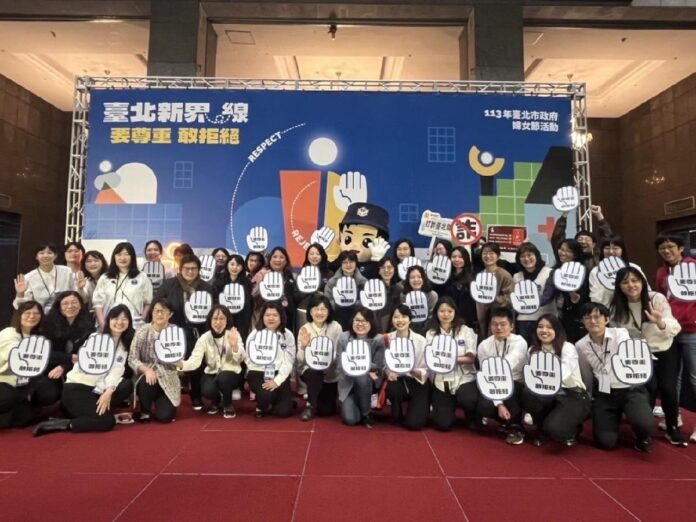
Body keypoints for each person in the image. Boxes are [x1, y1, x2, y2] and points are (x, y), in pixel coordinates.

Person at [32, 305, 135, 436]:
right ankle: (66, 424)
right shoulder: (95, 337)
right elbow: (93, 368)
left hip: (96, 388)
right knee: (107, 421)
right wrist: (107, 389)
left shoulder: (123, 344)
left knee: (125, 384)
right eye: (116, 318)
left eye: (124, 319)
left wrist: (109, 390)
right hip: (78, 387)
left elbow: (117, 369)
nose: (120, 322)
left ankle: (92, 412)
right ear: (108, 320)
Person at [610, 266, 685, 446]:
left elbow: (675, 327)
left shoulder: (656, 298)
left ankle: (672, 427)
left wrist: (659, 322)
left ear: (642, 282)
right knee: (646, 390)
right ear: (619, 286)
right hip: (638, 354)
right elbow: (615, 333)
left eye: (635, 281)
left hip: (663, 348)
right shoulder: (616, 306)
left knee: (668, 388)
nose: (631, 285)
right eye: (625, 282)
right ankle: (644, 430)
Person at [576, 302, 655, 452]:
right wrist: (589, 399)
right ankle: (613, 419)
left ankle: (642, 436)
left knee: (645, 424)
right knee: (605, 442)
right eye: (587, 318)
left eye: (597, 317)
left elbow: (625, 354)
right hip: (605, 393)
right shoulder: (580, 345)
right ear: (582, 322)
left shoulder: (620, 334)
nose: (593, 321)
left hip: (629, 389)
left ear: (606, 319)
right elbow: (587, 375)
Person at [154, 254, 214, 410]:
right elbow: (157, 306)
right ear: (180, 269)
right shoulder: (169, 285)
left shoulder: (206, 288)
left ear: (199, 270)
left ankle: (196, 395)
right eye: (187, 268)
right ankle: (168, 394)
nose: (190, 271)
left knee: (196, 364)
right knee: (170, 363)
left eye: (194, 268)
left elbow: (213, 313)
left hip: (197, 332)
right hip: (173, 331)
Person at [521, 314, 590, 446]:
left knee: (556, 430)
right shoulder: (532, 350)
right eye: (540, 327)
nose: (544, 330)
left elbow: (564, 372)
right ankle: (542, 428)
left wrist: (545, 381)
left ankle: (573, 427)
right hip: (547, 393)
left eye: (549, 327)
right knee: (527, 393)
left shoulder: (567, 347)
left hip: (570, 393)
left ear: (557, 330)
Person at [654, 233, 696, 443]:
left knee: (694, 377)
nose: (666, 250)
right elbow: (662, 299)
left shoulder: (693, 267)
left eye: (670, 246)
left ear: (680, 248)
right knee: (674, 378)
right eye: (662, 248)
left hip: (691, 330)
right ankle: (674, 416)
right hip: (670, 331)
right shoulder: (661, 272)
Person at [176, 305, 245, 419]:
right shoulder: (204, 338)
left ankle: (227, 404)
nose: (218, 322)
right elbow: (194, 361)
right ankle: (216, 400)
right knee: (207, 390)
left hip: (232, 373)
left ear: (227, 320)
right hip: (212, 373)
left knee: (224, 377)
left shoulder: (233, 334)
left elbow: (241, 359)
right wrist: (179, 364)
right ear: (210, 320)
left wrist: (234, 346)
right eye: (215, 318)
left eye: (222, 318)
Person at [476, 307, 528, 444]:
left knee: (511, 389)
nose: (498, 328)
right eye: (494, 324)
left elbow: (505, 367)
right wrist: (499, 404)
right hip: (493, 383)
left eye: (503, 324)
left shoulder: (520, 342)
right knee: (482, 404)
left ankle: (516, 427)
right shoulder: (484, 346)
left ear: (511, 326)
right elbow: (486, 374)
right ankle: (504, 420)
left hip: (516, 383)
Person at [426, 297, 479, 431]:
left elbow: (471, 358)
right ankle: (447, 407)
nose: (446, 314)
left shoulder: (466, 331)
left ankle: (471, 415)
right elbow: (430, 359)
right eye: (442, 311)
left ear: (455, 312)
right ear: (436, 313)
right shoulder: (431, 333)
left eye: (449, 311)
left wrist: (448, 359)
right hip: (441, 379)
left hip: (464, 377)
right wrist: (453, 359)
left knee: (468, 398)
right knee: (443, 425)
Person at [35, 291, 95, 407]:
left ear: (80, 305)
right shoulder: (47, 324)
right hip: (49, 367)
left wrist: (64, 366)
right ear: (59, 306)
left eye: (74, 302)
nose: (70, 306)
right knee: (48, 395)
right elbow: (43, 353)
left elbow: (87, 355)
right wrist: (68, 358)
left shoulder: (88, 325)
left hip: (77, 368)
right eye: (65, 303)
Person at [128, 297, 181, 423]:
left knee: (165, 417)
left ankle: (160, 400)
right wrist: (146, 370)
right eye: (156, 311)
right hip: (148, 376)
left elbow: (181, 357)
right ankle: (145, 410)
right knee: (148, 380)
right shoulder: (142, 331)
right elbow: (132, 358)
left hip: (168, 376)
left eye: (163, 311)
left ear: (170, 314)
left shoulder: (175, 331)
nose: (159, 314)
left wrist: (178, 363)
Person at [336, 307, 385, 428]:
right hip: (348, 383)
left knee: (361, 376)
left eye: (365, 321)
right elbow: (340, 364)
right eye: (357, 320)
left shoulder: (378, 339)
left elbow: (378, 366)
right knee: (350, 420)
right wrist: (366, 366)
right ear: (352, 321)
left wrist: (358, 365)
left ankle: (366, 414)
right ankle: (360, 404)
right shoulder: (344, 338)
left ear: (371, 322)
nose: (360, 324)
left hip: (368, 382)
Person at [245, 302, 296, 418]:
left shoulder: (287, 335)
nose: (271, 318)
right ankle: (261, 405)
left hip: (279, 372)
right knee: (266, 394)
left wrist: (277, 380)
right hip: (257, 372)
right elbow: (248, 357)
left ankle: (279, 401)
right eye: (267, 315)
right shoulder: (255, 334)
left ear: (281, 317)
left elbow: (289, 361)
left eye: (275, 315)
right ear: (262, 317)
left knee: (284, 412)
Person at [296, 293, 343, 420]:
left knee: (325, 410)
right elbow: (300, 360)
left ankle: (315, 396)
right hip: (309, 370)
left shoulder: (336, 327)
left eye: (323, 309)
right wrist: (303, 347)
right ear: (310, 312)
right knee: (313, 372)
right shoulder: (304, 329)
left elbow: (339, 353)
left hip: (330, 373)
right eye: (316, 309)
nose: (319, 312)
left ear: (328, 311)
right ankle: (310, 406)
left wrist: (327, 362)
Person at [384, 305, 429, 430]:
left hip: (416, 380)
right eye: (396, 317)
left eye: (404, 317)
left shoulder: (420, 340)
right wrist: (388, 372)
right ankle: (396, 411)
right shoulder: (387, 338)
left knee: (414, 424)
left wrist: (411, 370)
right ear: (392, 320)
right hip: (397, 379)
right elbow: (383, 364)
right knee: (393, 389)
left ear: (410, 320)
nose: (400, 320)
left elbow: (426, 369)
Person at [0, 301, 43, 429]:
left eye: (36, 313)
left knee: (25, 416)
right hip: (3, 379)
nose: (32, 316)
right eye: (27, 313)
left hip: (18, 383)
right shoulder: (9, 332)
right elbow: (15, 354)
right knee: (9, 397)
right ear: (19, 315)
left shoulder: (35, 336)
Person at [92, 242, 153, 330]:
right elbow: (97, 303)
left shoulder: (142, 277)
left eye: (126, 254)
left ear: (132, 257)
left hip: (134, 325)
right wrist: (103, 324)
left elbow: (148, 302)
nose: (122, 258)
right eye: (119, 255)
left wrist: (142, 319)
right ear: (114, 257)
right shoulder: (105, 278)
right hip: (109, 325)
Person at [540, 239, 590, 343]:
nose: (563, 253)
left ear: (575, 255)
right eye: (561, 249)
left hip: (578, 318)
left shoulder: (583, 271)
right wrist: (533, 303)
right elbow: (548, 295)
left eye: (568, 251)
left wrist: (571, 291)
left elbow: (583, 298)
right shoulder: (555, 272)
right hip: (560, 316)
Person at [513, 242, 555, 344]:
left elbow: (548, 296)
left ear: (537, 256)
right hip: (523, 321)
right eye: (522, 256)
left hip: (545, 320)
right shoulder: (517, 276)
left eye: (529, 255)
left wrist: (530, 303)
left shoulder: (549, 272)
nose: (526, 259)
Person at [13, 243, 74, 312]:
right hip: (41, 315)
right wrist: (20, 294)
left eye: (49, 253)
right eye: (41, 253)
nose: (46, 256)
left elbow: (75, 294)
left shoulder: (67, 271)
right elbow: (22, 307)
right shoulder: (28, 278)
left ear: (55, 256)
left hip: (66, 313)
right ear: (36, 257)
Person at [589, 235, 648, 307]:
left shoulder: (633, 267)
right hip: (608, 310)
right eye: (607, 248)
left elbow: (647, 290)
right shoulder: (595, 271)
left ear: (622, 250)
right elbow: (595, 298)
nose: (611, 252)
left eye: (615, 248)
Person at [551, 204, 613, 270]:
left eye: (587, 239)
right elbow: (557, 237)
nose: (583, 242)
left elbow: (609, 239)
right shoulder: (566, 257)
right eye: (580, 239)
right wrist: (565, 214)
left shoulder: (598, 258)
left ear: (593, 244)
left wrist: (599, 215)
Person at [251, 246, 296, 329]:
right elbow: (252, 296)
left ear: (286, 261)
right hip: (265, 317)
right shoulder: (261, 275)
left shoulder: (292, 277)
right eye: (274, 257)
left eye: (281, 257)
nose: (278, 260)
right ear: (270, 260)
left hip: (287, 318)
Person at [476, 243, 514, 337]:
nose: (488, 256)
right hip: (482, 316)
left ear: (498, 256)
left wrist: (494, 298)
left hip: (499, 317)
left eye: (491, 253)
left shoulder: (504, 275)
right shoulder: (479, 275)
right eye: (485, 253)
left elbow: (510, 298)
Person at [214, 254, 253, 340]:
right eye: (232, 264)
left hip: (241, 319)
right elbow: (215, 301)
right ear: (227, 265)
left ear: (242, 267)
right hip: (223, 317)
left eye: (238, 265)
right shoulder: (219, 281)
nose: (235, 267)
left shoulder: (246, 283)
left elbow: (248, 304)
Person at [325, 251, 367, 330]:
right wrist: (338, 303)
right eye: (345, 262)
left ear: (356, 263)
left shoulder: (363, 282)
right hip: (337, 319)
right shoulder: (333, 282)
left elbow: (367, 301)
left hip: (358, 320)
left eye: (351, 262)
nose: (348, 265)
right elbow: (327, 301)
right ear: (341, 264)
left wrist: (353, 304)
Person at [441, 246, 477, 328]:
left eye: (460, 257)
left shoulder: (473, 278)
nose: (456, 259)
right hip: (446, 316)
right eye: (454, 257)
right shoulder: (445, 276)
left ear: (466, 258)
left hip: (465, 319)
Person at [399, 265, 438, 335]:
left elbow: (432, 317)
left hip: (427, 330)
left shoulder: (432, 295)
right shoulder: (403, 295)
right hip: (409, 329)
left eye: (419, 277)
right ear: (408, 280)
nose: (416, 280)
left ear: (424, 278)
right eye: (412, 277)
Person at [375, 257, 403, 333]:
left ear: (394, 270)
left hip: (394, 328)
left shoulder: (399, 289)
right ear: (379, 271)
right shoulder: (373, 288)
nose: (386, 270)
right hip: (377, 328)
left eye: (389, 267)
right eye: (383, 267)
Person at [75, 250, 108, 315]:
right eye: (89, 261)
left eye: (96, 260)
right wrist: (80, 289)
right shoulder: (85, 280)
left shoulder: (110, 278)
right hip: (92, 315)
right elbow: (84, 300)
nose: (92, 264)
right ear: (84, 264)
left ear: (103, 262)